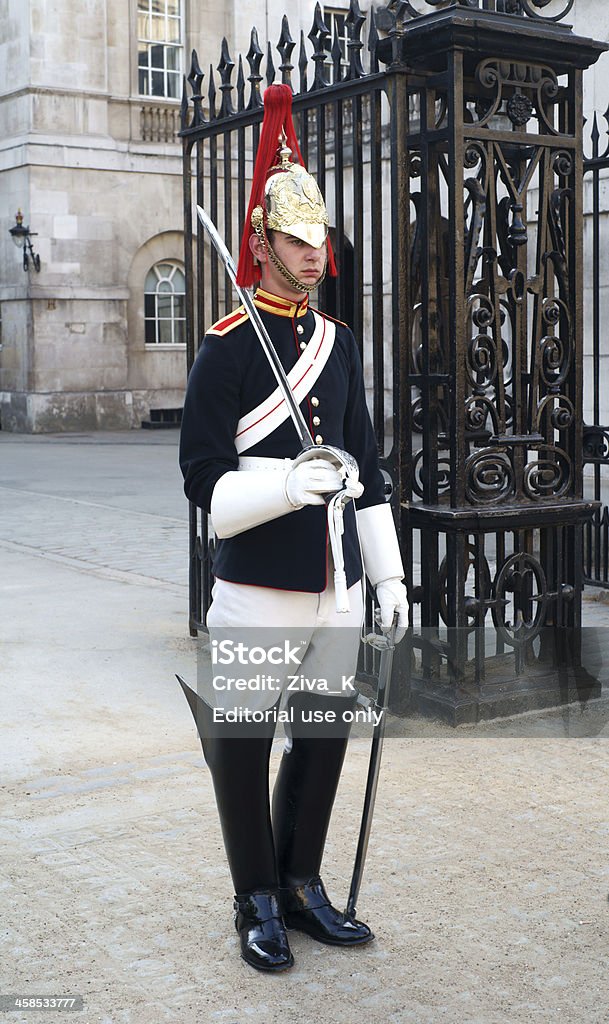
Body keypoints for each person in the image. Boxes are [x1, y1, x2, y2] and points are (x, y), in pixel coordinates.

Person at [178, 84, 408, 973]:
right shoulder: (227, 345)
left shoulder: (340, 343)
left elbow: (371, 468)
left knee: (321, 737)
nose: (313, 256)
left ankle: (304, 883)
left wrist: (387, 578)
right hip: (258, 580)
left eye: (320, 241)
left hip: (337, 582)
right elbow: (203, 481)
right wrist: (288, 484)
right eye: (296, 241)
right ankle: (255, 897)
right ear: (262, 243)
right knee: (242, 746)